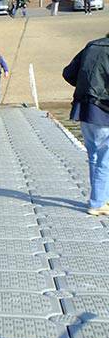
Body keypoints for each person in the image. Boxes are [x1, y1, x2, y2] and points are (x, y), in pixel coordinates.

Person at [63, 34, 109, 215]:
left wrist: (86, 86)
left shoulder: (91, 46)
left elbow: (68, 73)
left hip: (84, 108)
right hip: (104, 110)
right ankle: (97, 202)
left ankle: (100, 197)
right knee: (105, 158)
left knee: (95, 156)